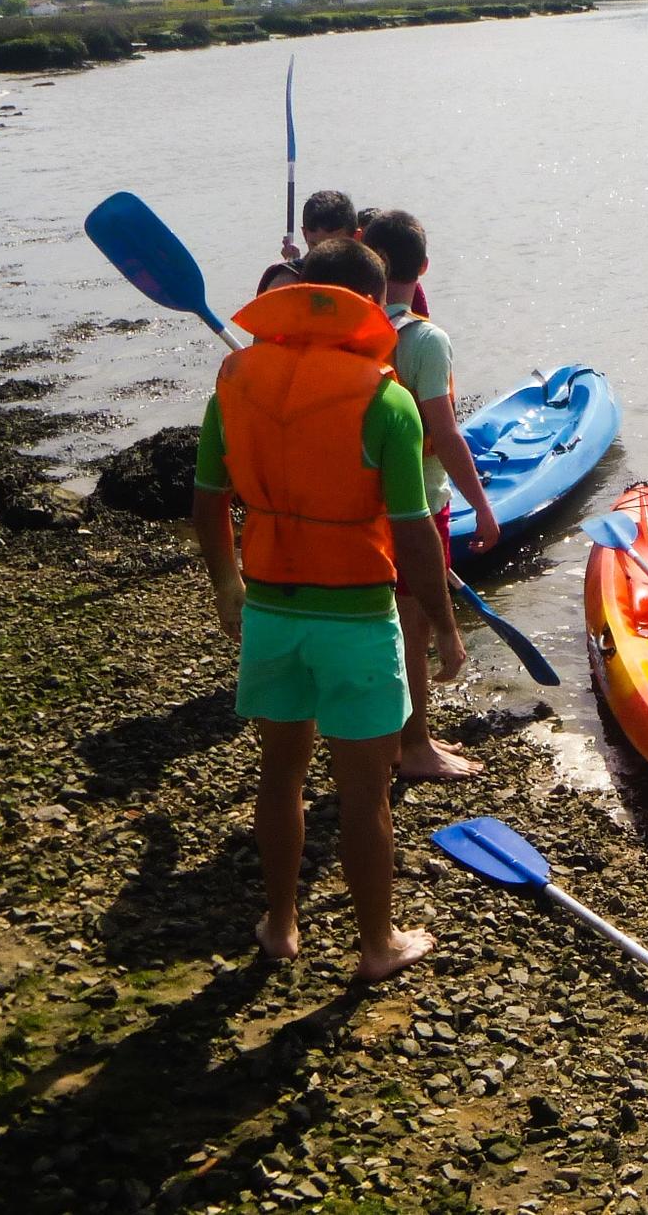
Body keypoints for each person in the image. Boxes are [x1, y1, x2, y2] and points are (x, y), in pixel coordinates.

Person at [191, 235, 464, 980]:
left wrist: (225, 583)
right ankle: (377, 947)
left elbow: (208, 497)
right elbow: (413, 538)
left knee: (279, 775)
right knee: (364, 791)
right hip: (356, 617)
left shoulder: (235, 377)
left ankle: (280, 924)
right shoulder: (387, 399)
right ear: (374, 307)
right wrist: (443, 627)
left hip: (271, 610)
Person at [357, 209, 501, 781]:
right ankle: (414, 746)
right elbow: (444, 433)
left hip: (361, 503)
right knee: (412, 626)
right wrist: (483, 508)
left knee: (378, 620)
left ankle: (382, 730)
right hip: (417, 501)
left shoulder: (351, 331)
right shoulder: (424, 338)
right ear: (423, 267)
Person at [262, 190, 428, 315]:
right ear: (305, 234)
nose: (324, 256)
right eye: (315, 246)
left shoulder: (379, 279)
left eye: (334, 247)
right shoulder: (286, 281)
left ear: (356, 236)